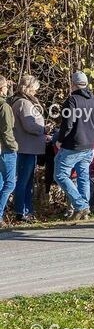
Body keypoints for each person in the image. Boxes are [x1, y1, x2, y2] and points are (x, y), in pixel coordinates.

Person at [53, 71, 94, 220]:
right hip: (90, 144)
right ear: (86, 84)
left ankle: (81, 205)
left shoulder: (72, 100)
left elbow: (67, 124)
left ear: (73, 84)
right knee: (83, 177)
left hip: (73, 145)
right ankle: (84, 211)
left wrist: (60, 140)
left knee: (60, 175)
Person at [10, 75, 45, 223]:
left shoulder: (24, 101)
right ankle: (21, 211)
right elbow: (29, 125)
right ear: (28, 88)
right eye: (35, 89)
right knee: (24, 181)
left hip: (29, 147)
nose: (36, 93)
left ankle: (27, 210)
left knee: (27, 181)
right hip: (25, 148)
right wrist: (43, 128)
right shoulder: (23, 103)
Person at [0, 76, 17, 224]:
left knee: (0, 183)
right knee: (10, 183)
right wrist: (14, 146)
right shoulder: (4, 107)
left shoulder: (4, 104)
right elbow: (7, 131)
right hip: (5, 149)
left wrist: (9, 90)